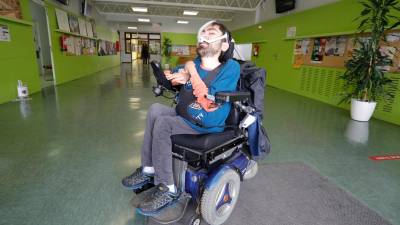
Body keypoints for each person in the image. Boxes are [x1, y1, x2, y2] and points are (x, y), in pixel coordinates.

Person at [122, 21, 240, 214]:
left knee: (164, 123)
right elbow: (173, 77)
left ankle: (167, 188)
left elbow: (208, 102)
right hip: (184, 114)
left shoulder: (230, 68)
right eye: (202, 34)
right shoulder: (193, 63)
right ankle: (149, 168)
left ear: (224, 45)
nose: (204, 37)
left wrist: (190, 73)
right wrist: (165, 76)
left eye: (210, 34)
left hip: (205, 122)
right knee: (155, 110)